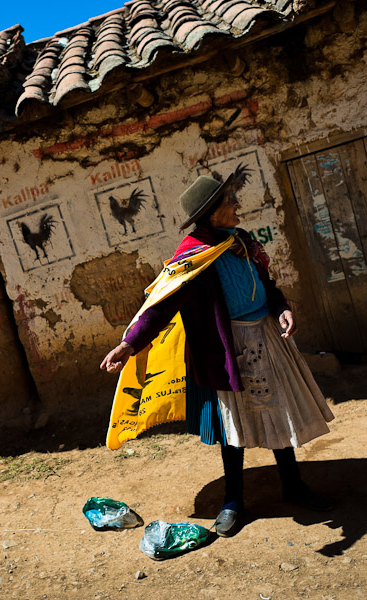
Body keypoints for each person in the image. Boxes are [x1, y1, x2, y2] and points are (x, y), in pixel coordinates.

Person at [99, 170, 335, 537]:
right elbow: (161, 306)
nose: (237, 203)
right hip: (226, 349)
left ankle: (293, 485)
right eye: (229, 200)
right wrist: (130, 343)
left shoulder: (240, 241)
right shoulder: (192, 257)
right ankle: (233, 501)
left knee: (279, 412)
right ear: (211, 212)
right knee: (232, 426)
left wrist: (281, 307)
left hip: (267, 337)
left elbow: (266, 285)